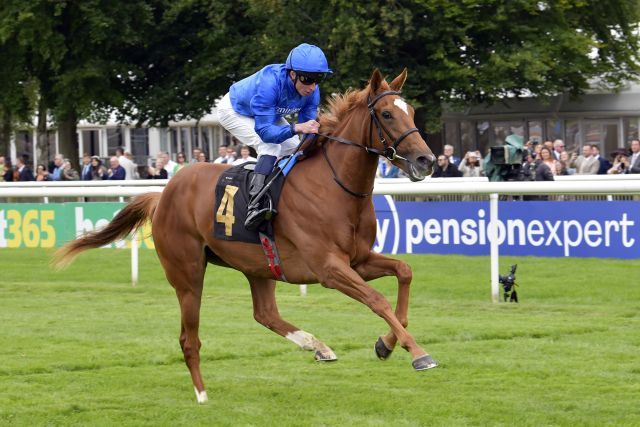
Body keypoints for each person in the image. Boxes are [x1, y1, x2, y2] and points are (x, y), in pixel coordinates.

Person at [217, 43, 332, 229]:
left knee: (294, 147)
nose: (312, 86)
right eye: (308, 79)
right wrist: (296, 127)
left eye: (318, 79)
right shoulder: (269, 83)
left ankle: (289, 196)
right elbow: (265, 132)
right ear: (292, 74)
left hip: (267, 113)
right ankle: (254, 205)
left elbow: (307, 134)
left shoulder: (312, 91)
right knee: (269, 146)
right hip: (234, 110)